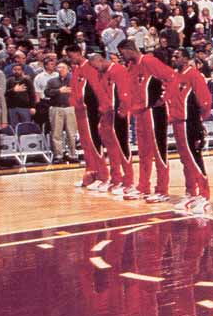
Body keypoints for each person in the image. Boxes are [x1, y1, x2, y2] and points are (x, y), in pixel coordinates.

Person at [118, 39, 176, 202]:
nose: (123, 57)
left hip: (154, 111)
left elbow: (172, 76)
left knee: (158, 151)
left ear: (129, 50)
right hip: (140, 113)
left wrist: (164, 98)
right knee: (143, 152)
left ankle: (162, 189)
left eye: (123, 53)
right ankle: (143, 187)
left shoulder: (149, 61)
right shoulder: (131, 67)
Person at [165, 48, 213, 214]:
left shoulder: (194, 75)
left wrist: (199, 122)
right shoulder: (175, 76)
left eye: (177, 56)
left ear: (186, 59)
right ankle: (191, 192)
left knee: (195, 159)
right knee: (185, 161)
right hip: (177, 123)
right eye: (173, 55)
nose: (173, 58)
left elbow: (205, 100)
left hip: (190, 123)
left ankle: (204, 196)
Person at [65, 45, 109, 189]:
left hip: (89, 111)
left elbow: (97, 89)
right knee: (85, 144)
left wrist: (99, 108)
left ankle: (103, 176)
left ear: (78, 53)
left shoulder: (89, 67)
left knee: (94, 143)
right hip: (79, 112)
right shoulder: (76, 69)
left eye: (71, 56)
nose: (70, 60)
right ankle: (90, 174)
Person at [91, 54, 135, 197]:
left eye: (95, 65)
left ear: (100, 60)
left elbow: (125, 93)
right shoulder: (101, 73)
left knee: (122, 146)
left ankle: (129, 182)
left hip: (119, 112)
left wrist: (122, 111)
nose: (94, 69)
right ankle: (116, 178)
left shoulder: (118, 70)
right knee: (110, 146)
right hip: (107, 113)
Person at [44, 62, 78, 163]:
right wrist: (59, 91)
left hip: (70, 108)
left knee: (71, 133)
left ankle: (72, 154)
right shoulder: (52, 81)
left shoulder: (74, 80)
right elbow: (46, 92)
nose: (61, 69)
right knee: (56, 133)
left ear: (68, 69)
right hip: (56, 108)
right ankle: (58, 155)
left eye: (63, 68)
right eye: (59, 67)